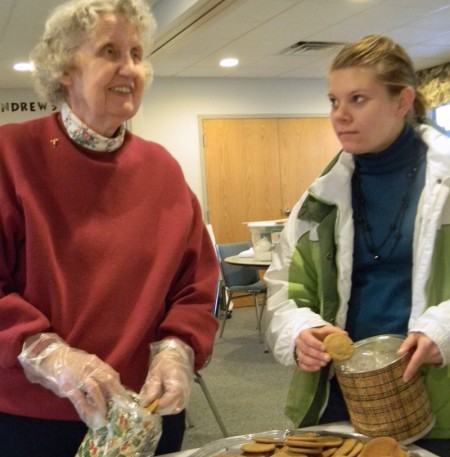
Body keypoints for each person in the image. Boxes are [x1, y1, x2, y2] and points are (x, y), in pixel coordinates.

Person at [0, 0, 219, 455]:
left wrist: (178, 349)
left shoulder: (161, 169)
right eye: (110, 52)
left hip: (146, 412)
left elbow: (195, 282)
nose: (130, 68)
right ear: (65, 68)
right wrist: (50, 356)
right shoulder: (12, 156)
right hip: (36, 419)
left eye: (137, 54)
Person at [264, 34, 450, 455]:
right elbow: (283, 290)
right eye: (333, 101)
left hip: (438, 401)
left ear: (402, 101)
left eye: (358, 99)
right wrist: (300, 330)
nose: (340, 116)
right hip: (343, 402)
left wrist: (445, 329)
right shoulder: (320, 200)